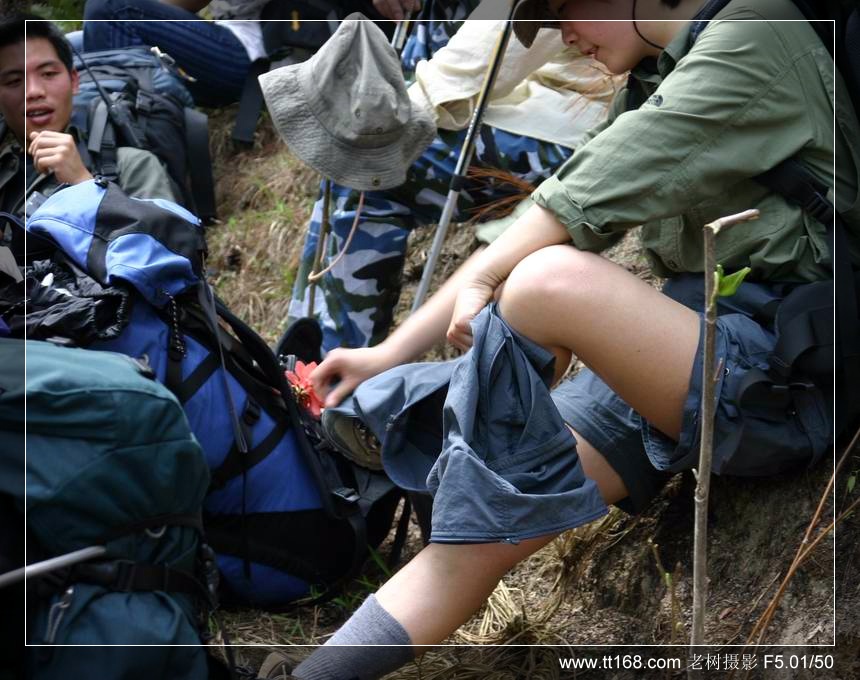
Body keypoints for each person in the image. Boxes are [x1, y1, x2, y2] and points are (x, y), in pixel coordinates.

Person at [259, 0, 859, 678]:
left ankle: (434, 412)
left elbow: (565, 217)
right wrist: (386, 352)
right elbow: (553, 205)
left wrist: (491, 291)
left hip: (794, 368)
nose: (561, 35)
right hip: (701, 340)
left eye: (563, 7)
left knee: (546, 284)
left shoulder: (752, 33)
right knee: (480, 533)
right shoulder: (666, 68)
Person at [287, 0, 618, 352]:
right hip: (525, 98)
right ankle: (299, 361)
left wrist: (399, 118)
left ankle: (332, 374)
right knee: (357, 156)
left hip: (563, 122)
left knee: (369, 169)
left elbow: (496, 41)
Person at [0, 16, 178, 265]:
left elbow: (170, 258)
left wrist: (85, 185)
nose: (33, 91)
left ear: (74, 81)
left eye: (48, 73)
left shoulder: (130, 166)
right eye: (13, 81)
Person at [81, 0, 394, 108]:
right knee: (72, 46)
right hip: (222, 40)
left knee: (109, 10)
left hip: (263, 55)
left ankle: (126, 141)